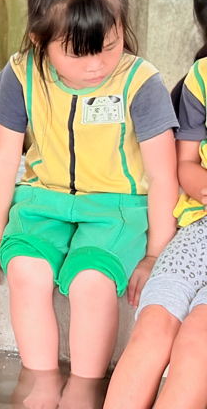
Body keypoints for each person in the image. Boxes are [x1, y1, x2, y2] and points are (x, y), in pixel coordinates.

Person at [0, 0, 178, 382]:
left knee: (91, 282)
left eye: (108, 46)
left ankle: (85, 389)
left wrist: (155, 254)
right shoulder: (21, 73)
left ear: (122, 27)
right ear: (39, 40)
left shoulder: (141, 81)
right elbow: (3, 159)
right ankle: (40, 384)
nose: (96, 66)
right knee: (25, 270)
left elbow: (163, 175)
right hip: (42, 202)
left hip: (116, 209)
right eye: (77, 53)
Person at [103, 53, 207, 409]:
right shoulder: (202, 76)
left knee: (198, 337)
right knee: (153, 324)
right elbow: (185, 163)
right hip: (198, 230)